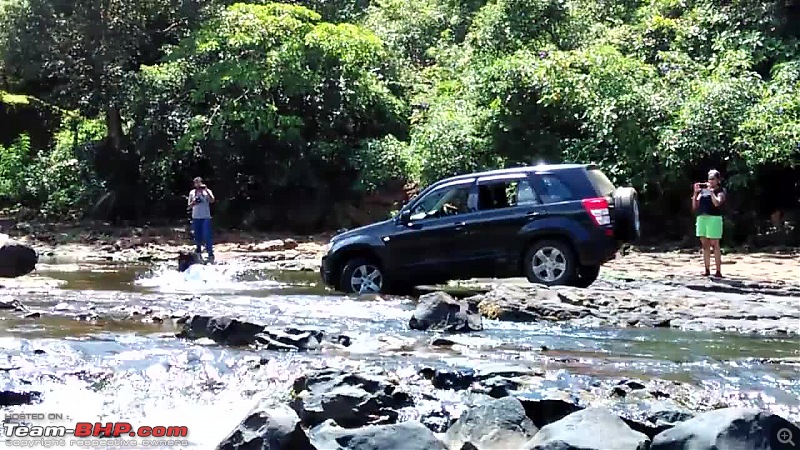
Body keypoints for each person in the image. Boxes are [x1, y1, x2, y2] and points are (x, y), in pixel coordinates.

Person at [692, 169, 726, 277]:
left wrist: (711, 192)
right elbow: (695, 206)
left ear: (718, 180)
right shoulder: (703, 192)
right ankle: (707, 269)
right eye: (709, 179)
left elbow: (717, 203)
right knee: (704, 245)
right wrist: (695, 192)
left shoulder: (720, 191)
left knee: (715, 244)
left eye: (713, 179)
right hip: (702, 218)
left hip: (714, 218)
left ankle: (718, 270)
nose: (710, 181)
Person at [188, 177, 215, 263]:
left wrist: (206, 190)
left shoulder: (207, 191)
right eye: (196, 183)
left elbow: (212, 200)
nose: (198, 184)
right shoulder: (192, 192)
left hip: (206, 217)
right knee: (197, 236)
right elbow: (189, 206)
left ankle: (210, 254)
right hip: (196, 217)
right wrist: (194, 202)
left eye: (199, 183)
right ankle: (198, 253)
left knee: (207, 235)